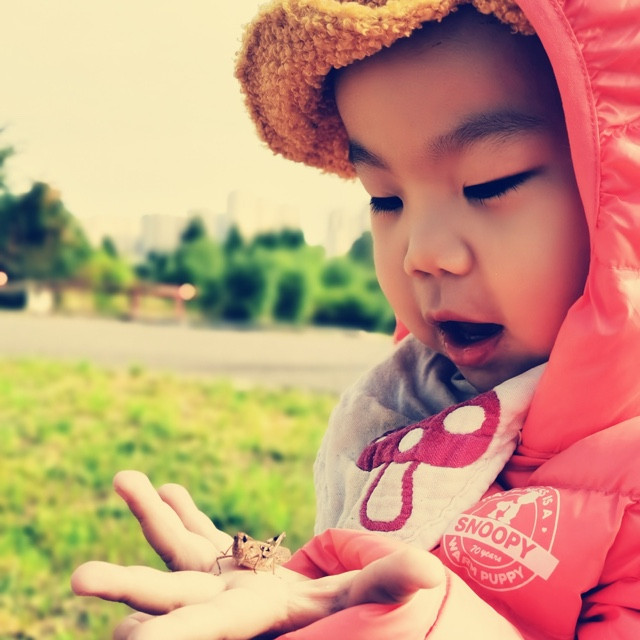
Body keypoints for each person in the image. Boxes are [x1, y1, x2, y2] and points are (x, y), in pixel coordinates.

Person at [71, 0, 640, 638]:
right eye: (386, 198)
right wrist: (305, 605)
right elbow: (344, 596)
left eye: (488, 184)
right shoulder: (410, 410)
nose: (421, 253)